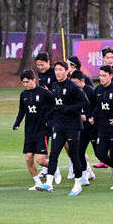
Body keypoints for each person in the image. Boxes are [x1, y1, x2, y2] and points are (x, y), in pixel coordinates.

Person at [35, 62, 89, 195]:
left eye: (60, 70)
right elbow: (56, 103)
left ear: (66, 72)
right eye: (56, 70)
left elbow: (85, 102)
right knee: (53, 154)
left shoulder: (73, 87)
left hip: (72, 126)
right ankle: (48, 183)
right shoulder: (54, 86)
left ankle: (78, 184)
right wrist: (50, 115)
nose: (57, 72)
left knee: (74, 155)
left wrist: (69, 109)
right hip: (58, 125)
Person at [13, 70, 62, 190]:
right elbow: (22, 110)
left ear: (34, 80)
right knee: (28, 158)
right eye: (23, 82)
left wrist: (50, 121)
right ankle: (38, 183)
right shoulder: (23, 95)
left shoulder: (45, 93)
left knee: (40, 160)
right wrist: (17, 123)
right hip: (29, 130)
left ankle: (54, 167)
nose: (25, 84)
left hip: (43, 130)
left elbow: (55, 106)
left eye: (27, 82)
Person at [89, 65, 113, 189]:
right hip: (102, 128)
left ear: (111, 76)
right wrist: (93, 116)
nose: (101, 78)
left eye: (104, 75)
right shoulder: (98, 90)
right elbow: (97, 106)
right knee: (100, 154)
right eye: (100, 75)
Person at [69, 71, 97, 185]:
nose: (74, 85)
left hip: (93, 127)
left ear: (82, 81)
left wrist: (89, 116)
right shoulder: (71, 93)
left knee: (100, 153)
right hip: (80, 128)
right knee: (79, 151)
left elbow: (97, 108)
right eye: (72, 83)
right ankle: (84, 175)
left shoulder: (91, 92)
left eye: (76, 83)